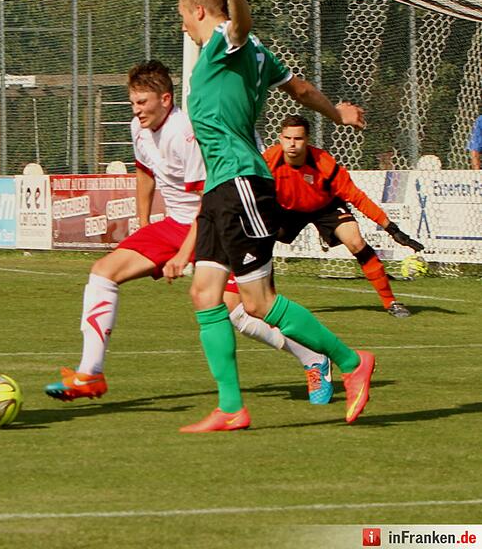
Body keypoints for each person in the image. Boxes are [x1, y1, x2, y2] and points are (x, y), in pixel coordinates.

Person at [44, 60, 334, 406]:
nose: (137, 111)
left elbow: (209, 203)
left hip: (215, 224)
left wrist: (183, 253)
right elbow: (145, 173)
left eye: (143, 103)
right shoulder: (139, 128)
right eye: (133, 103)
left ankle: (314, 359)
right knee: (102, 274)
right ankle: (90, 372)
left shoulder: (188, 134)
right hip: (174, 225)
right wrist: (142, 224)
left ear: (165, 99)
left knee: (240, 311)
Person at [177, 0, 375, 433]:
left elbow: (239, 25)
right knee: (205, 294)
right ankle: (231, 407)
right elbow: (302, 90)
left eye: (182, 16)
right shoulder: (256, 56)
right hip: (222, 189)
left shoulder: (227, 39)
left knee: (258, 302)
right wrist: (339, 113)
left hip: (243, 181)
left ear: (199, 10)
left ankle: (350, 362)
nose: (181, 25)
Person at [265, 115, 424, 318]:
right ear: (280, 138)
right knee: (260, 243)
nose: (292, 144)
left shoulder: (323, 163)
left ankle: (390, 302)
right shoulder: (268, 161)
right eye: (288, 138)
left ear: (308, 140)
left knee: (356, 242)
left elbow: (357, 197)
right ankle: (266, 301)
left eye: (298, 138)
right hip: (288, 209)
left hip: (325, 206)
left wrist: (392, 229)